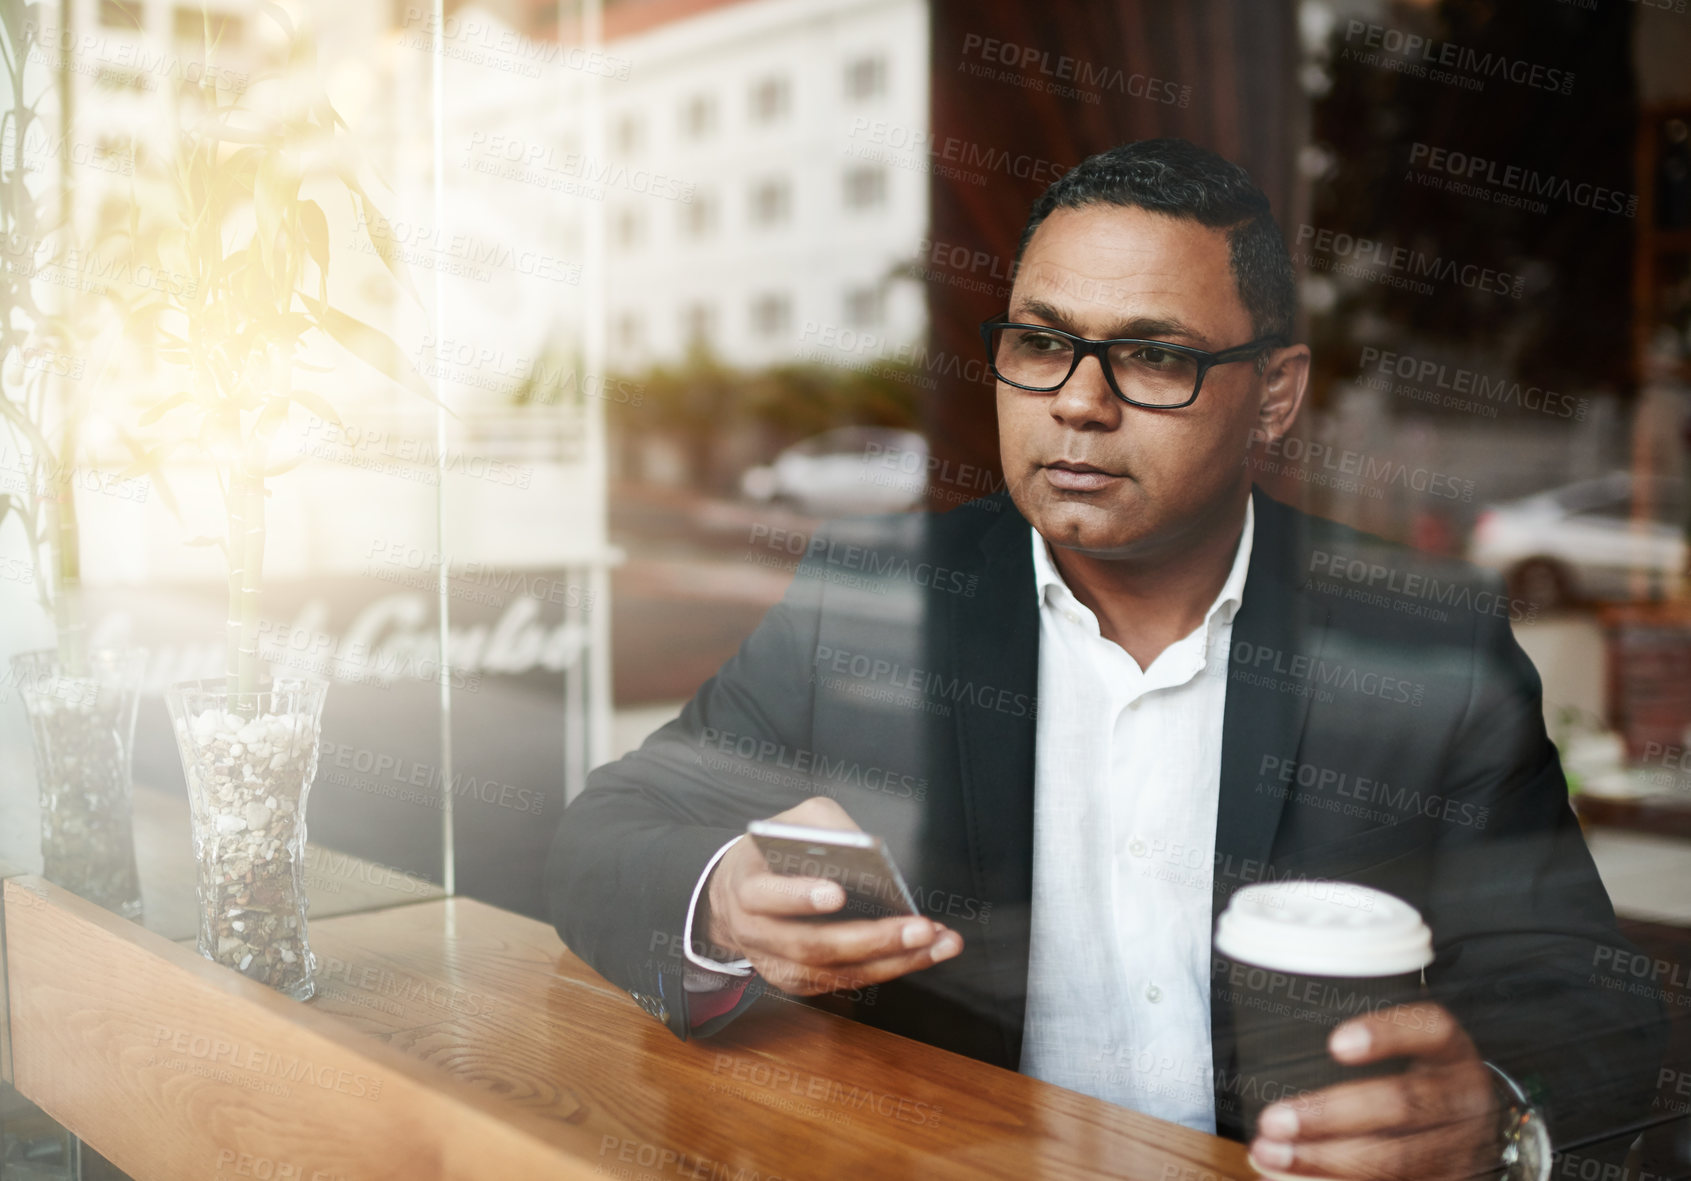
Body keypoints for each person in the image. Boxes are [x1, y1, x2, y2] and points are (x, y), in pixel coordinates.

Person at [548, 138, 1665, 1180]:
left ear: (1272, 394)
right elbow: (610, 828)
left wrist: (1495, 1116)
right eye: (1040, 343)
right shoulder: (872, 602)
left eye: (1152, 355)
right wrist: (724, 901)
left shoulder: (1419, 641)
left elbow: (1575, 990)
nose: (1079, 402)